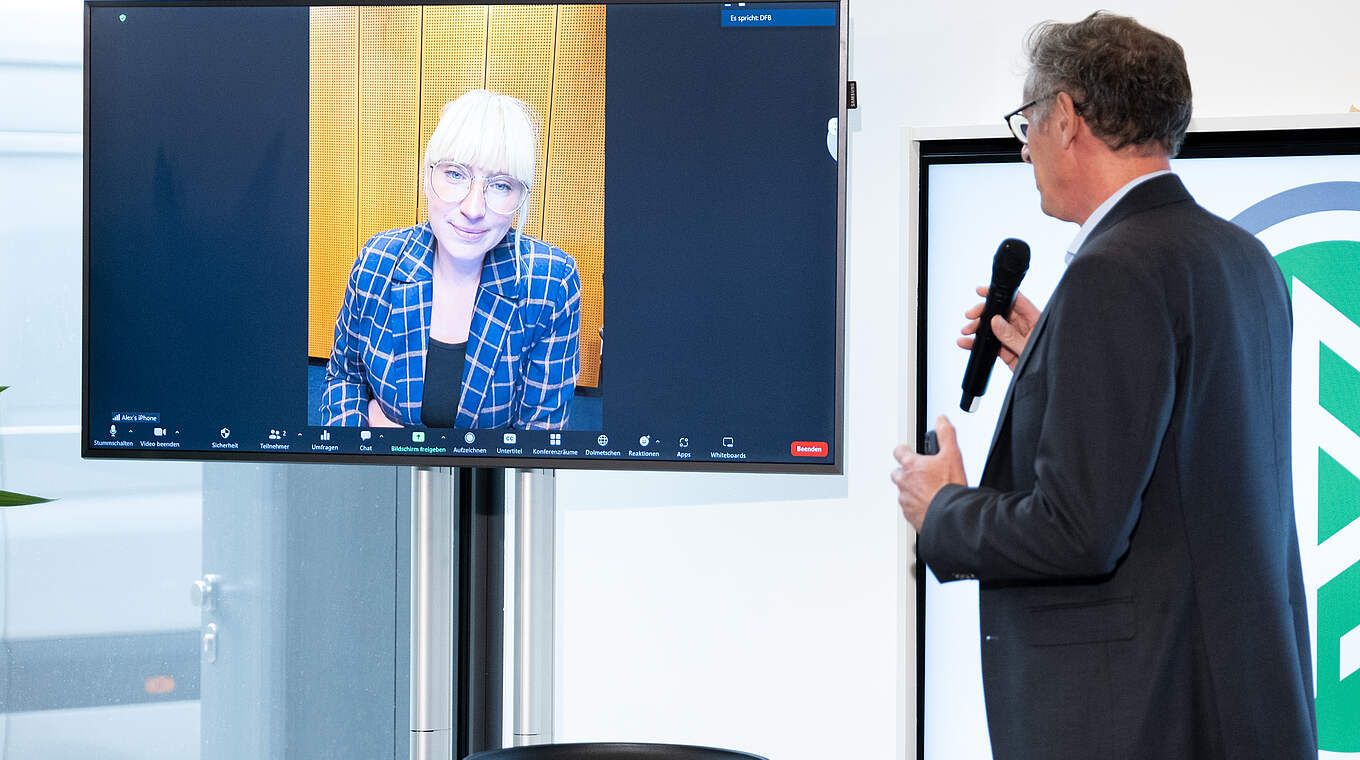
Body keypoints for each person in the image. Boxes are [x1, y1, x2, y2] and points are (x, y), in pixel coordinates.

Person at [892, 12, 1316, 759]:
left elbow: (1078, 531)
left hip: (1138, 721)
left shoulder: (1112, 272)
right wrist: (1054, 373)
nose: (1023, 148)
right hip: (1241, 715)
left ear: (1066, 117)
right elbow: (1188, 468)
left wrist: (944, 509)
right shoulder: (1245, 260)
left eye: (1027, 121)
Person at [321, 89, 581, 430]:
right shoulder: (377, 261)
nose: (473, 209)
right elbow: (345, 377)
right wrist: (363, 453)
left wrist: (396, 436)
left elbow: (540, 439)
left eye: (501, 185)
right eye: (455, 174)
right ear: (427, 178)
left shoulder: (551, 284)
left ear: (521, 198)